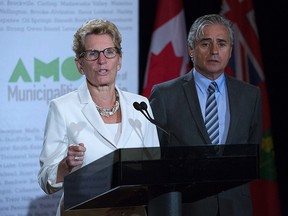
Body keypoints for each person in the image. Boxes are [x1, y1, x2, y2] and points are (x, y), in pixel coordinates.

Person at [38, 18, 160, 216]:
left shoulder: (141, 105)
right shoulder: (62, 108)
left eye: (109, 52)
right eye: (92, 54)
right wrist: (64, 167)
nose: (102, 61)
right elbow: (45, 180)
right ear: (79, 64)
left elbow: (155, 167)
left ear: (119, 60)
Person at [149, 14, 262, 216]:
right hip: (186, 207)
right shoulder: (165, 95)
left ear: (230, 51)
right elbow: (155, 159)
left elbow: (252, 153)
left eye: (222, 43)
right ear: (191, 49)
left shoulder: (250, 95)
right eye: (205, 43)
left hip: (236, 208)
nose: (214, 51)